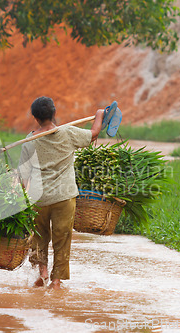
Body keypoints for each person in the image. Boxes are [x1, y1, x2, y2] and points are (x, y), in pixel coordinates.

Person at [18, 96, 105, 290]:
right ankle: (56, 281)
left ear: (35, 117)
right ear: (54, 113)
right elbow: (94, 133)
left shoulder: (29, 141)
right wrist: (99, 115)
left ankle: (42, 272)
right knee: (62, 239)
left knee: (39, 238)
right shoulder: (67, 133)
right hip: (64, 197)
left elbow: (23, 178)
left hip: (38, 198)